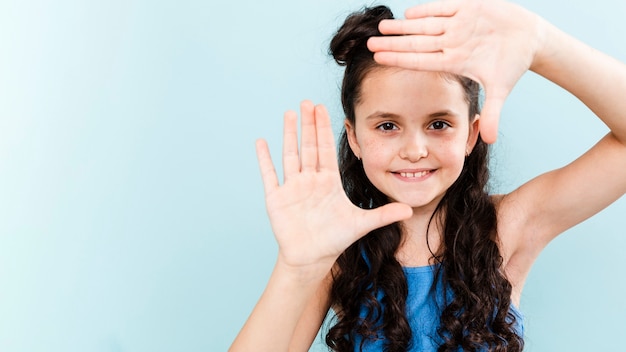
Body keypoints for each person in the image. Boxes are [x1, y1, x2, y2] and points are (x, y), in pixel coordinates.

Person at [230, 0, 626, 351]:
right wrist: (295, 269)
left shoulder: (510, 225)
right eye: (387, 126)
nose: (415, 149)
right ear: (354, 137)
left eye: (438, 124)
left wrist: (540, 43)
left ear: (472, 133)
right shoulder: (335, 254)